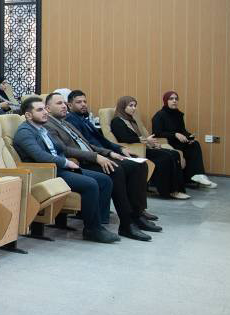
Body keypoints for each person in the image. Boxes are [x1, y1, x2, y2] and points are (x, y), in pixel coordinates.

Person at [43, 93, 160, 241]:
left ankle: (137, 215)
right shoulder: (48, 125)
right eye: (59, 103)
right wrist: (96, 157)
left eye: (64, 103)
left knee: (137, 165)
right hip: (80, 163)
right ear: (48, 108)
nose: (64, 106)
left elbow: (88, 144)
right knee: (116, 170)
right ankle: (126, 224)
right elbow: (65, 150)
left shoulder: (66, 123)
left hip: (93, 158)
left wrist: (110, 152)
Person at [12, 97, 119, 244]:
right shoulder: (25, 132)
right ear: (28, 115)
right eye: (40, 110)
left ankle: (99, 223)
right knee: (90, 184)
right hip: (47, 172)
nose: (45, 112)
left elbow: (62, 148)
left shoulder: (42, 129)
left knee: (104, 180)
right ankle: (92, 230)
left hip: (60, 168)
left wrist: (90, 156)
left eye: (44, 109)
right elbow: (40, 156)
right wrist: (66, 162)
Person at [111, 96, 189, 199]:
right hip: (135, 150)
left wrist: (151, 143)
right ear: (122, 106)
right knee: (166, 157)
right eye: (131, 105)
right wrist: (146, 140)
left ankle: (178, 189)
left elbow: (137, 138)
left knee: (174, 154)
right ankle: (169, 191)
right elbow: (125, 138)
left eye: (135, 105)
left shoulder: (131, 120)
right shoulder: (117, 121)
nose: (134, 108)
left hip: (143, 147)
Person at [152, 91, 217, 188]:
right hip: (167, 142)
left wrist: (190, 136)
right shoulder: (159, 115)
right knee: (189, 148)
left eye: (176, 99)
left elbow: (182, 130)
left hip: (179, 142)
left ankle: (198, 175)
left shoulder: (178, 114)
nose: (174, 101)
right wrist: (175, 134)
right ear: (165, 101)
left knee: (194, 144)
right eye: (171, 99)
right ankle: (194, 177)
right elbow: (157, 133)